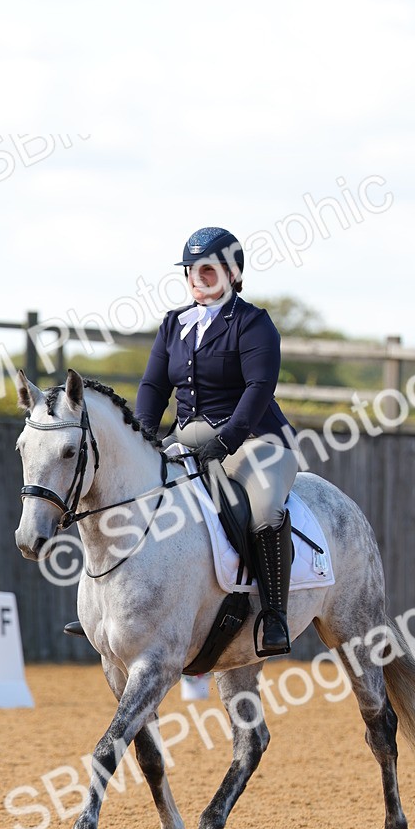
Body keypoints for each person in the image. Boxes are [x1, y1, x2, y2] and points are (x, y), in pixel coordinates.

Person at [134, 227, 299, 656]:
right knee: (129, 495)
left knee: (264, 510)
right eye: (191, 270)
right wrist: (143, 436)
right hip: (187, 438)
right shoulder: (174, 324)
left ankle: (274, 615)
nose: (196, 277)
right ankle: (119, 609)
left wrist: (227, 441)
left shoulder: (253, 323)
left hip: (256, 441)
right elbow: (153, 386)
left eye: (207, 269)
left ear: (232, 272)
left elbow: (258, 387)